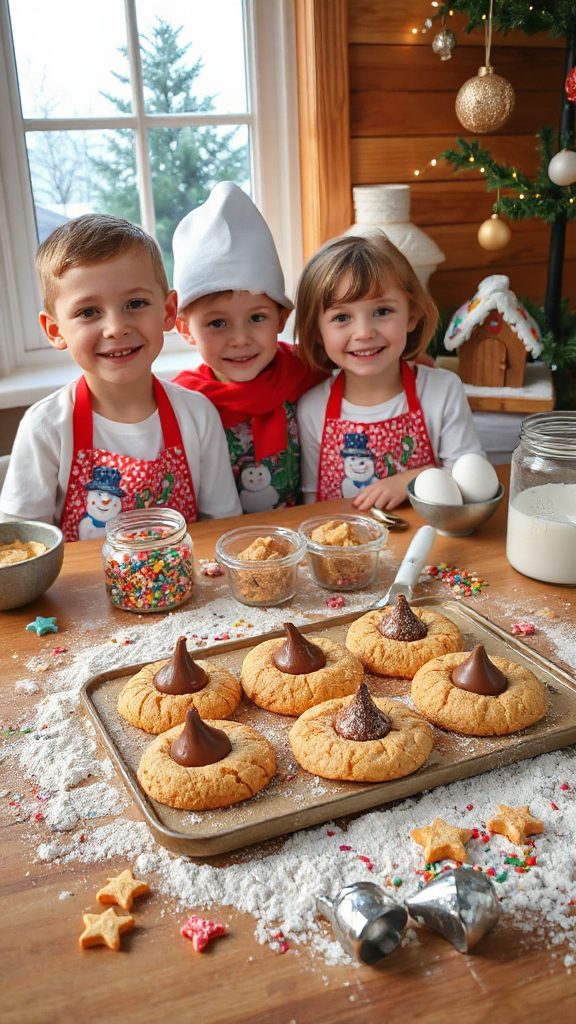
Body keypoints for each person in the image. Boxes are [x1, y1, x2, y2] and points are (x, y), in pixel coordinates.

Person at [0, 214, 241, 540]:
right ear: (55, 331)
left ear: (168, 312)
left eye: (135, 303)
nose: (116, 328)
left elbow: (220, 529)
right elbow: (22, 544)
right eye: (88, 312)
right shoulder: (46, 427)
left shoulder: (198, 415)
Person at [295, 232, 484, 509]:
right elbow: (312, 502)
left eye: (382, 311)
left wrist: (416, 479)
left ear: (412, 315)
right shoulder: (312, 408)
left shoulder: (442, 391)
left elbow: (472, 481)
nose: (364, 332)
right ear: (317, 333)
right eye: (342, 317)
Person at [172, 181, 326, 513]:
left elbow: (358, 364)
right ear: (186, 329)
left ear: (282, 319)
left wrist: (409, 363)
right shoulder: (184, 401)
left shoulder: (305, 369)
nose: (240, 339)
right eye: (217, 323)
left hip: (297, 533)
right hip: (220, 542)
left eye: (257, 318)